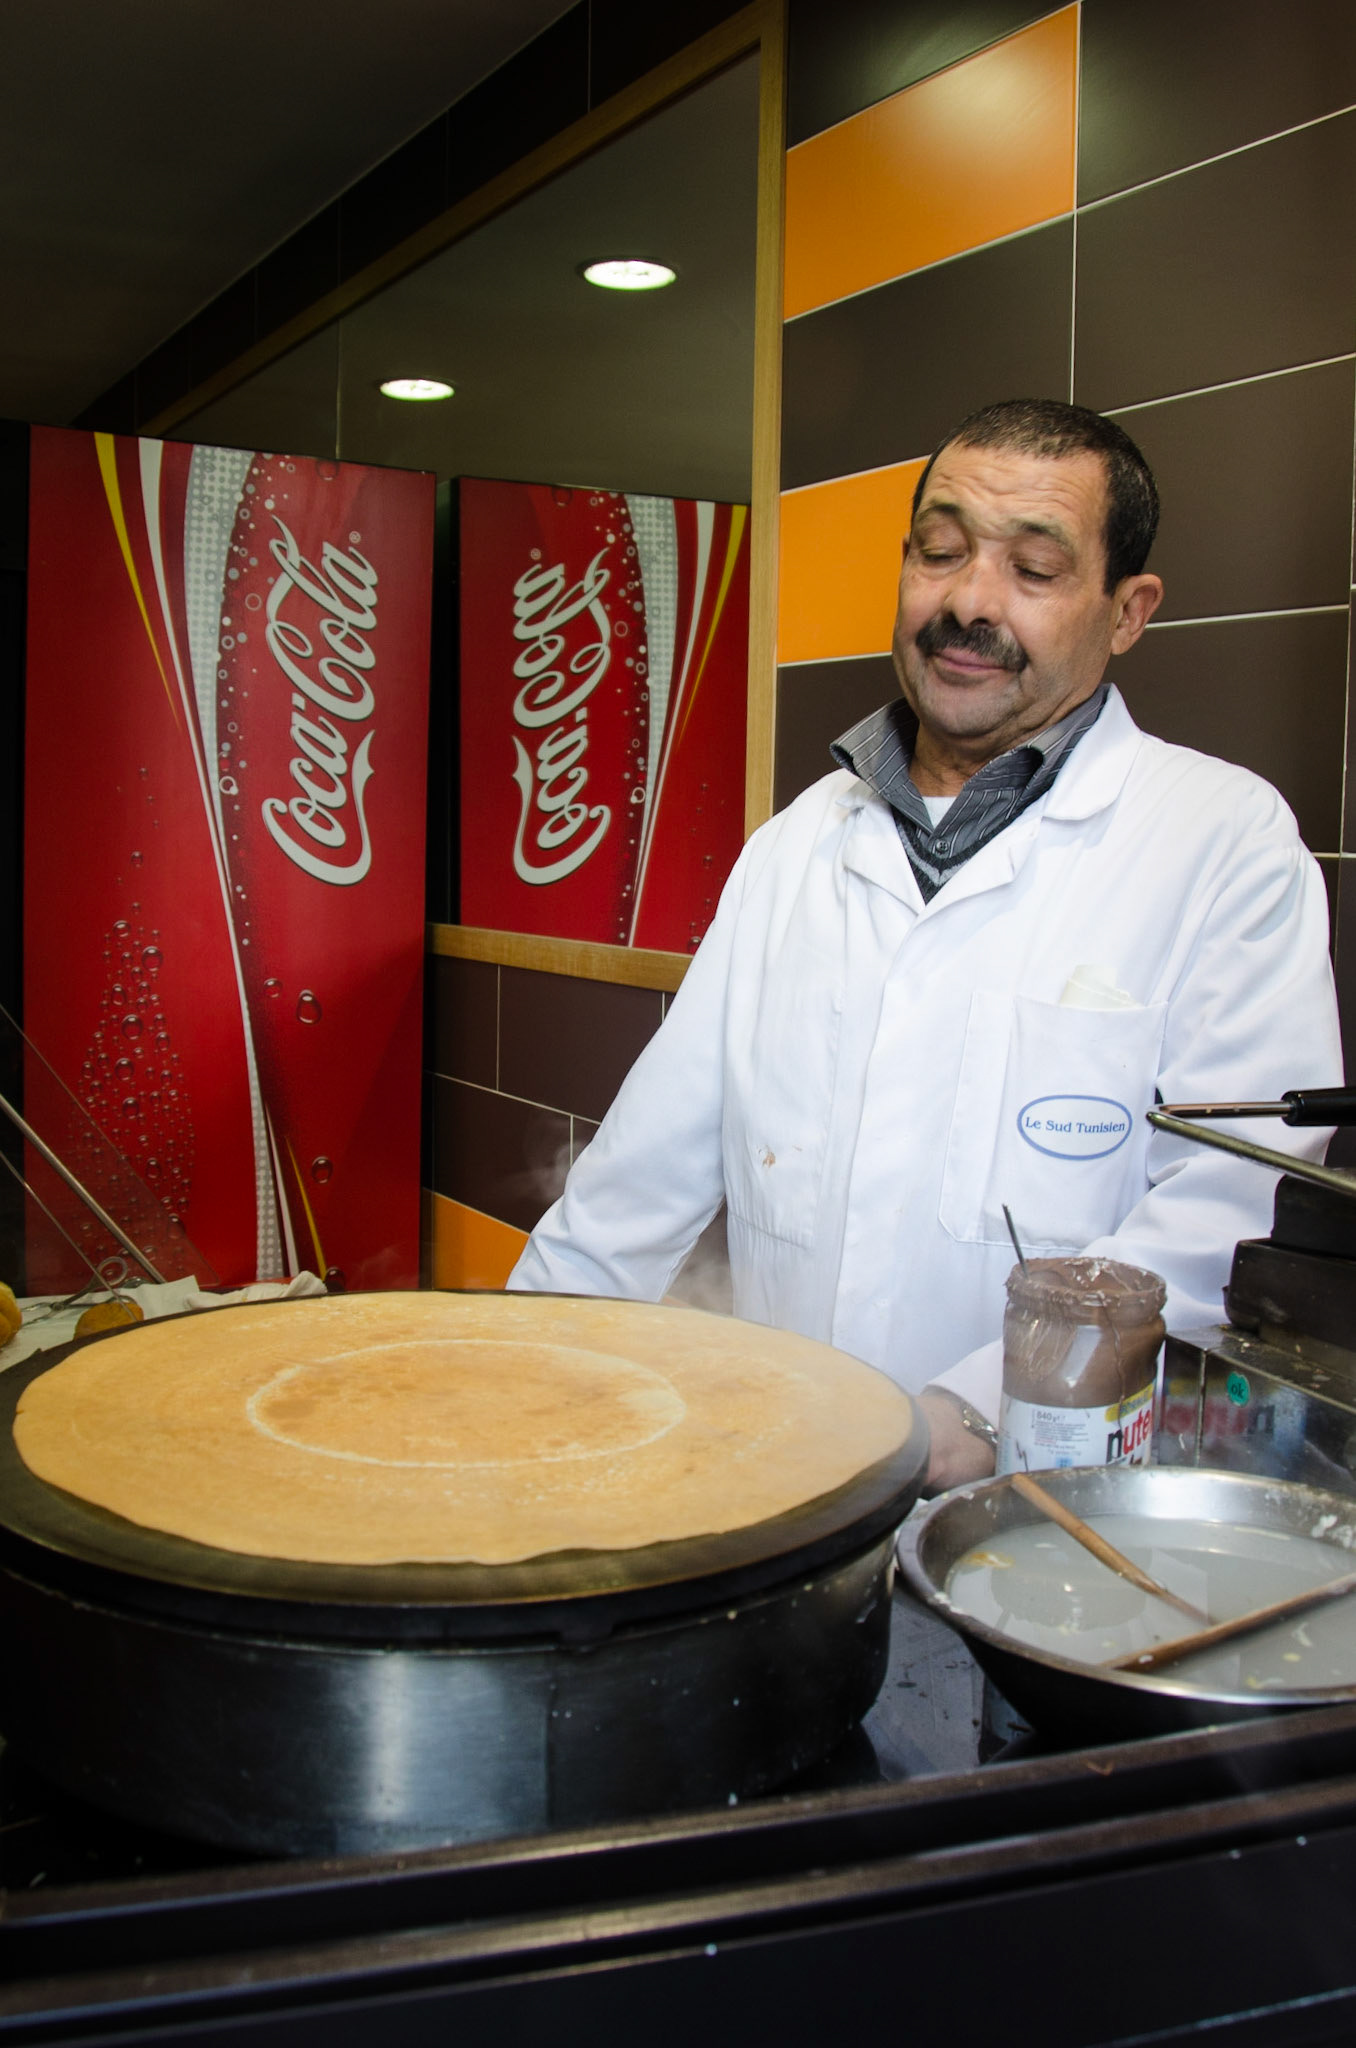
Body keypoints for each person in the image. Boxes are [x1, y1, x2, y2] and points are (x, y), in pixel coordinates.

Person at [508, 398, 1342, 1488]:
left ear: (1127, 611)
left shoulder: (1222, 841)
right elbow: (632, 1187)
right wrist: (504, 1371)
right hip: (789, 1500)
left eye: (1035, 569)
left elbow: (1222, 1212)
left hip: (1057, 1517)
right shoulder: (795, 847)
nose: (968, 603)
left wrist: (968, 1414)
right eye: (940, 552)